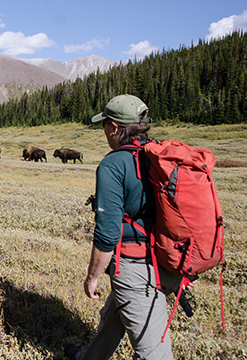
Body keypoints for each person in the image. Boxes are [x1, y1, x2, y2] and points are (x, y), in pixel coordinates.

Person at [65, 94, 184, 360]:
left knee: (154, 354)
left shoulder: (113, 163)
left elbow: (108, 233)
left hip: (137, 267)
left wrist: (92, 277)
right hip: (168, 258)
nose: (103, 131)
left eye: (105, 124)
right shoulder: (158, 156)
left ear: (115, 128)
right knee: (114, 317)